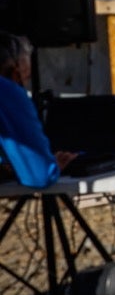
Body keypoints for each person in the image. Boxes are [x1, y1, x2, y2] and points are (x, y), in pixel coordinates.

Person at [0, 31, 59, 189]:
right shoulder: (7, 91)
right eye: (23, 80)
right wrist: (53, 166)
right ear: (15, 70)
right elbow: (39, 176)